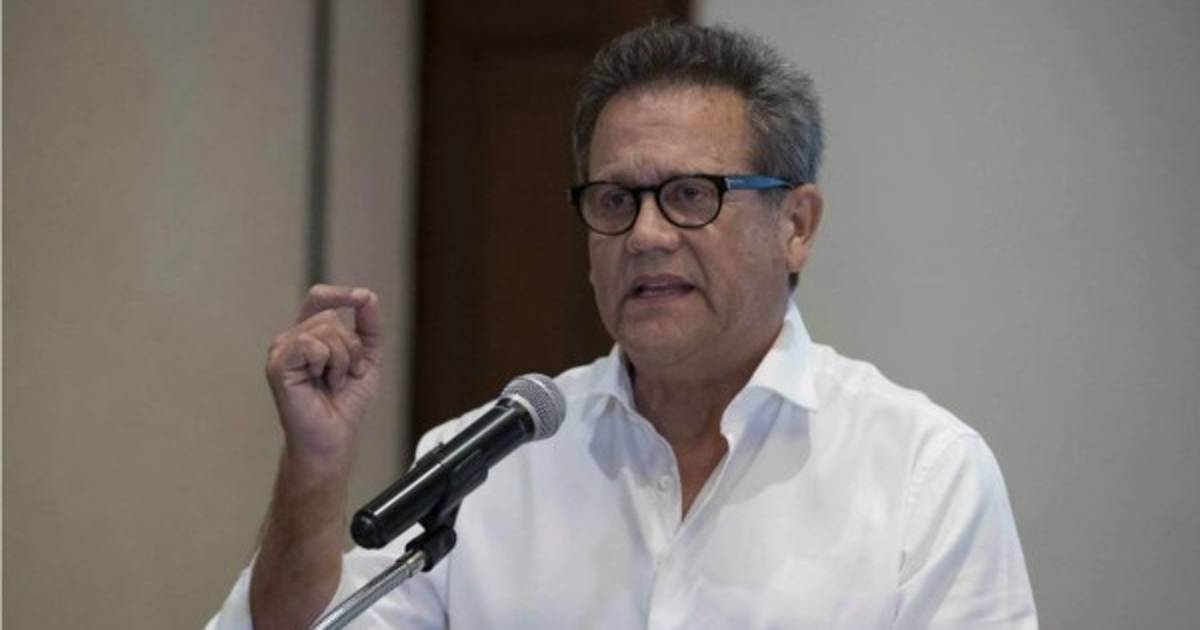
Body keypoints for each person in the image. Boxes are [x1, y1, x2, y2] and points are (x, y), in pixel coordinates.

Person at [209, 22, 1037, 629]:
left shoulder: (924, 474)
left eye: (690, 195)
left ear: (796, 225)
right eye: (614, 200)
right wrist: (316, 467)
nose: (644, 235)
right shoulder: (484, 464)